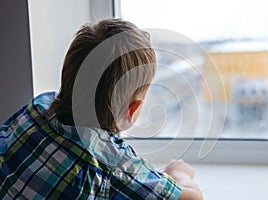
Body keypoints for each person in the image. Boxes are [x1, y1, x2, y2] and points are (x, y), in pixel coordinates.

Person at [0, 19, 202, 199]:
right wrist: (179, 174)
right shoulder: (114, 166)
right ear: (133, 109)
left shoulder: (37, 108)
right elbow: (193, 198)